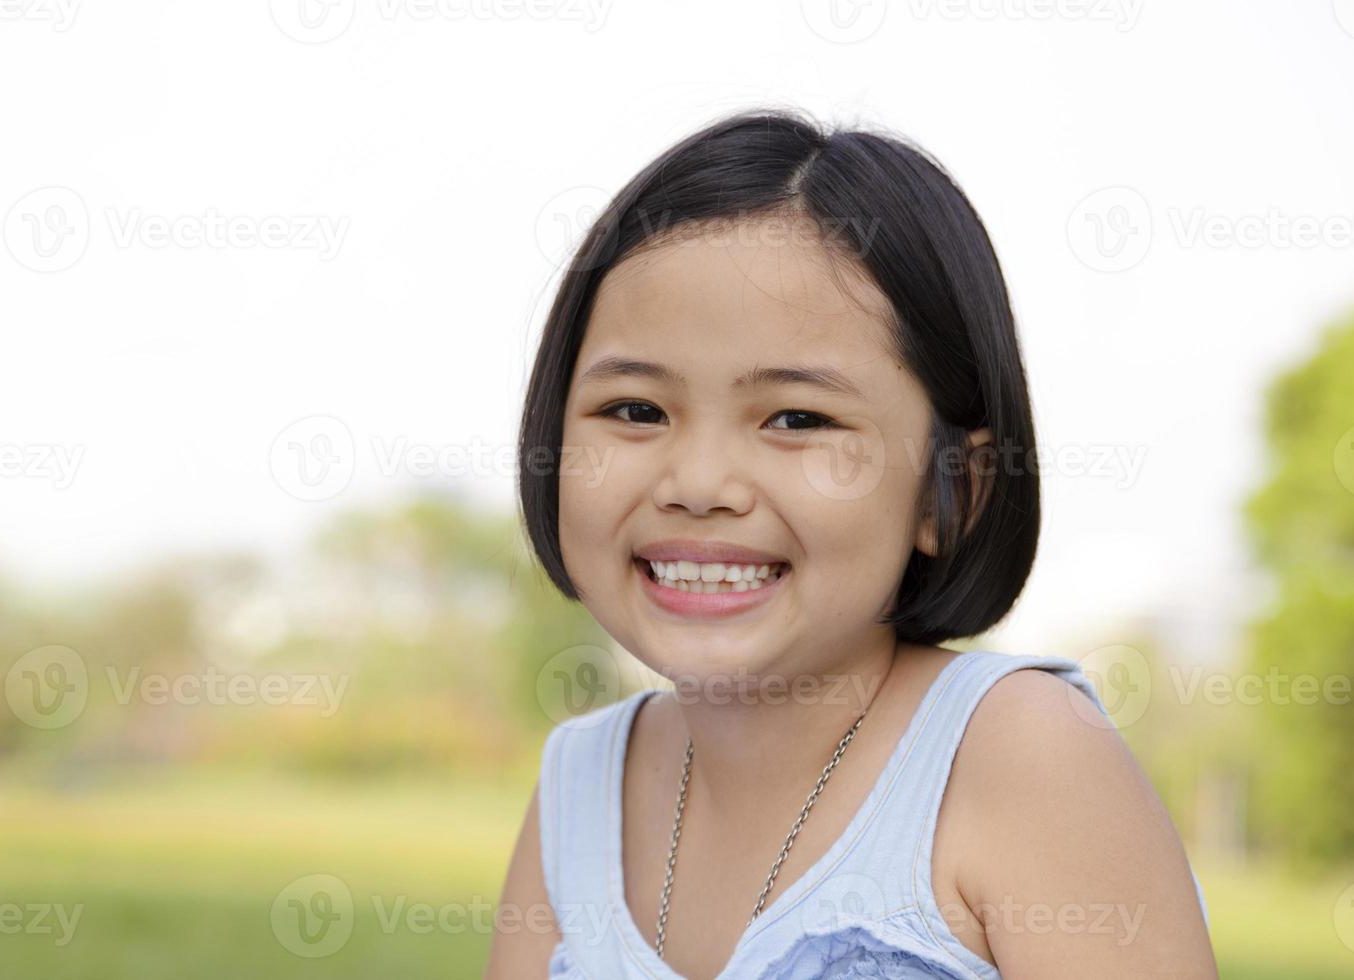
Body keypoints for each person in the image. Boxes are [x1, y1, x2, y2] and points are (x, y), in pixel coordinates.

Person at [486, 107, 1217, 979]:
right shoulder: (579, 791)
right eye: (636, 410)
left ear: (955, 489)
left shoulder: (1021, 757)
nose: (699, 483)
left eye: (798, 418)